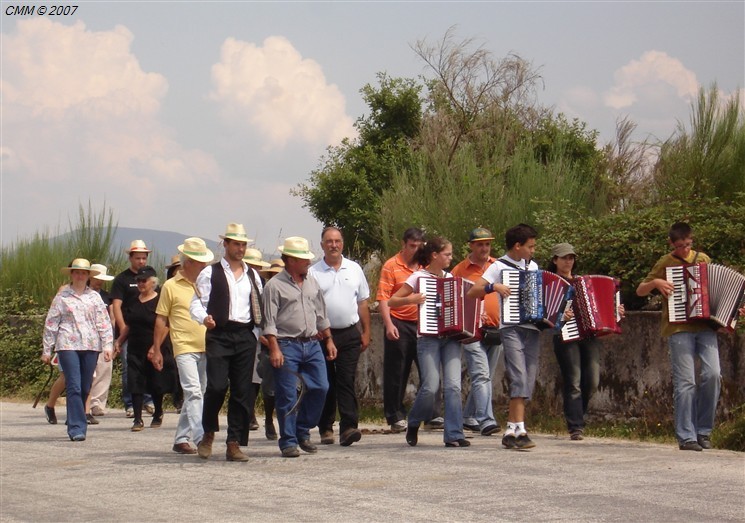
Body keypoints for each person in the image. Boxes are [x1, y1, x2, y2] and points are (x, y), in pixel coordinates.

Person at [636, 222, 745, 451]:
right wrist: (656, 283)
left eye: (688, 244)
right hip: (678, 328)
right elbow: (640, 290)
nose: (685, 249)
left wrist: (733, 311)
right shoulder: (666, 262)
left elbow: (719, 293)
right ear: (671, 244)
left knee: (713, 375)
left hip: (705, 327)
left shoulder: (703, 259)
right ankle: (686, 436)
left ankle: (704, 431)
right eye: (680, 246)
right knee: (686, 382)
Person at [190, 223, 262, 462]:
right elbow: (196, 303)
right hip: (219, 333)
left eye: (243, 244)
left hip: (244, 335)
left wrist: (260, 333)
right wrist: (205, 318)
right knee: (217, 386)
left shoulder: (253, 275)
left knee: (243, 391)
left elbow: (258, 307)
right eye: (236, 244)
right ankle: (208, 432)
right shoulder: (210, 273)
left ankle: (234, 442)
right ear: (226, 245)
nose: (240, 248)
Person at [388, 236, 468, 448]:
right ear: (435, 255)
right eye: (447, 254)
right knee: (431, 386)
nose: (451, 258)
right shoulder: (418, 278)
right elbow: (392, 301)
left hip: (450, 338)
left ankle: (454, 434)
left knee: (453, 386)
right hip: (428, 338)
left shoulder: (450, 278)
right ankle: (414, 421)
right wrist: (410, 300)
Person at [262, 236, 337, 458]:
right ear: (290, 260)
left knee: (321, 387)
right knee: (287, 395)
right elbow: (269, 322)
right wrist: (274, 348)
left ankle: (302, 428)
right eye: (303, 259)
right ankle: (289, 441)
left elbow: (321, 315)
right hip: (287, 344)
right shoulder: (274, 286)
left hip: (313, 344)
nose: (308, 262)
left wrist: (329, 339)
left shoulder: (312, 283)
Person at [468, 223, 540, 449]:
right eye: (530, 246)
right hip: (510, 327)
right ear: (517, 246)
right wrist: (494, 287)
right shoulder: (498, 266)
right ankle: (520, 430)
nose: (533, 251)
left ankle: (511, 428)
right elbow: (473, 291)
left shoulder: (534, 266)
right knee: (518, 376)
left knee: (528, 378)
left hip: (532, 328)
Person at [548, 243, 627, 441]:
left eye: (571, 257)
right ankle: (575, 426)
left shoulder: (582, 282)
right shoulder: (551, 282)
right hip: (565, 334)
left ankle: (578, 414)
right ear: (555, 260)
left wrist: (615, 312)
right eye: (564, 257)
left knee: (592, 380)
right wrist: (560, 314)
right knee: (573, 381)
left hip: (588, 335)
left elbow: (601, 308)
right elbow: (545, 312)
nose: (568, 261)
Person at [377, 227, 443, 433]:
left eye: (419, 246)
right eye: (412, 246)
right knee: (397, 371)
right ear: (404, 244)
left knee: (429, 369)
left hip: (424, 323)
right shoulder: (391, 265)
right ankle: (395, 415)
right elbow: (383, 298)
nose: (415, 250)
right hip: (399, 321)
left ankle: (432, 414)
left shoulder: (426, 266)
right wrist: (388, 324)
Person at [309, 226, 371, 447]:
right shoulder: (313, 272)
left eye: (337, 241)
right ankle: (325, 427)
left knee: (346, 380)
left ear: (342, 243)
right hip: (323, 335)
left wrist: (366, 331)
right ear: (322, 244)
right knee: (326, 383)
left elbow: (363, 302)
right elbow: (309, 304)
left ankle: (348, 427)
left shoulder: (354, 269)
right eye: (329, 241)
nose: (333, 245)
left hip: (349, 332)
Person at [151, 237, 213, 454]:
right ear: (187, 262)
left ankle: (180, 439)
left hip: (206, 345)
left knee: (198, 393)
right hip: (184, 346)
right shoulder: (170, 286)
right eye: (200, 261)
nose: (204, 265)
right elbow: (161, 319)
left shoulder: (207, 285)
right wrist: (156, 348)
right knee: (194, 392)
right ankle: (200, 437)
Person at [41, 259, 114, 441]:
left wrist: (107, 345)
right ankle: (76, 427)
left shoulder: (95, 297)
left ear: (88, 275)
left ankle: (75, 417)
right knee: (73, 384)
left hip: (90, 345)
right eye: (76, 272)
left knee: (85, 386)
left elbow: (103, 322)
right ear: (72, 274)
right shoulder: (62, 296)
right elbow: (51, 323)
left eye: (83, 272)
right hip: (68, 344)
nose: (80, 275)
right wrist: (47, 349)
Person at [451, 227, 502, 437]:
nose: (484, 248)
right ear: (471, 245)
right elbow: (452, 297)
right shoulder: (460, 269)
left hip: (496, 328)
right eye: (480, 244)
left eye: (487, 244)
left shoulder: (498, 266)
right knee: (481, 374)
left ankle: (468, 416)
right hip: (471, 331)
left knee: (486, 375)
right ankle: (486, 420)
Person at [116, 266, 176, 431]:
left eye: (144, 280)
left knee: (155, 382)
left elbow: (166, 326)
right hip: (135, 347)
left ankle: (158, 412)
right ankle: (137, 419)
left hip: (155, 347)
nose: (141, 284)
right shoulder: (134, 300)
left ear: (153, 282)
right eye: (138, 281)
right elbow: (129, 324)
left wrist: (155, 347)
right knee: (135, 381)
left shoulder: (159, 300)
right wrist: (120, 340)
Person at [111, 240, 155, 417]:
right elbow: (116, 305)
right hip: (128, 329)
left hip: (148, 331)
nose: (141, 261)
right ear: (130, 258)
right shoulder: (122, 279)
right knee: (130, 367)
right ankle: (129, 402)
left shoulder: (152, 277)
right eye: (138, 258)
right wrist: (122, 330)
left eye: (144, 258)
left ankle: (148, 399)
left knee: (149, 366)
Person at [243, 247, 271, 433]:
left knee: (265, 378)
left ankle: (267, 417)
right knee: (250, 378)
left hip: (262, 331)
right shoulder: (239, 281)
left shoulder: (262, 283)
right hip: (248, 332)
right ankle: (249, 414)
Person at [257, 258, 285, 440]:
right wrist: (270, 343)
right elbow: (257, 326)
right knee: (270, 389)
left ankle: (288, 425)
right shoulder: (262, 296)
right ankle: (268, 419)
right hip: (268, 346)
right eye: (273, 274)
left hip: (289, 344)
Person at [87, 263, 115, 419]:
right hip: (87, 339)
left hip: (103, 338)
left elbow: (112, 318)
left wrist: (113, 339)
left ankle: (97, 403)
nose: (99, 282)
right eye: (96, 278)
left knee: (104, 370)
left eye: (101, 279)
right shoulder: (82, 294)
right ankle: (85, 402)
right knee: (89, 372)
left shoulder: (106, 296)